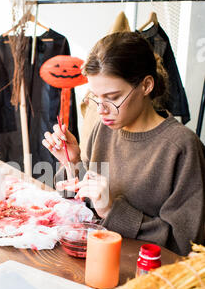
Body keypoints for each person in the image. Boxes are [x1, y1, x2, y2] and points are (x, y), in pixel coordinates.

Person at [42, 32, 205, 256]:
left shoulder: (181, 147)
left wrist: (111, 210)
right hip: (97, 260)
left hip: (148, 279)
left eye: (113, 97)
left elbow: (185, 245)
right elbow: (81, 204)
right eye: (96, 98)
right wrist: (72, 162)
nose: (101, 110)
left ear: (146, 85)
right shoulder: (105, 129)